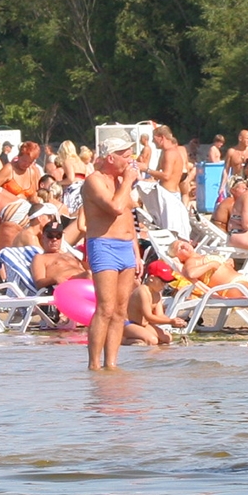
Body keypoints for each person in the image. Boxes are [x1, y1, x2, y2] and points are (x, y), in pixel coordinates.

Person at [80, 133, 142, 371]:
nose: (130, 161)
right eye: (125, 156)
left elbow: (128, 217)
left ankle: (112, 363)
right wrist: (127, 182)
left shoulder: (121, 182)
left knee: (119, 310)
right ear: (110, 158)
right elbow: (115, 207)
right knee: (105, 308)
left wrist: (136, 252)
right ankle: (94, 365)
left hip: (125, 246)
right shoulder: (94, 181)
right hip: (103, 244)